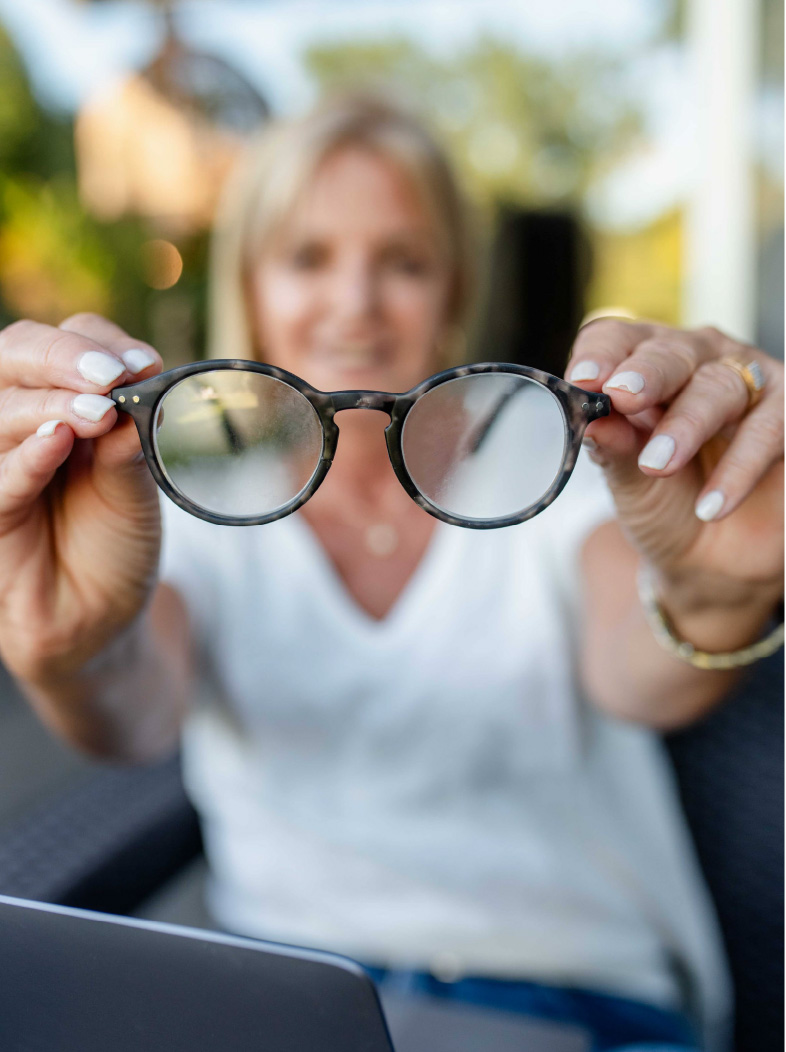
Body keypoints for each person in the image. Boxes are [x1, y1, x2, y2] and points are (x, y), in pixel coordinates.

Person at [0, 95, 782, 1052]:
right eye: (309, 257)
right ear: (252, 282)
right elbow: (130, 712)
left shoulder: (548, 476)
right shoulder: (186, 515)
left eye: (403, 262)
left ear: (453, 291)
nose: (357, 302)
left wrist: (717, 588)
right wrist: (62, 650)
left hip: (573, 1006)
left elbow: (642, 670)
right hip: (292, 1007)